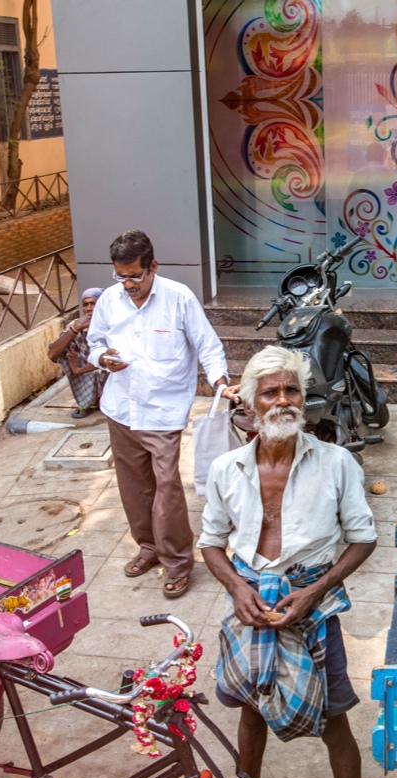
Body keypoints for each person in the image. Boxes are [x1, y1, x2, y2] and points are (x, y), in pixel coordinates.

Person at [197, 345, 380, 778]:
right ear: (250, 405)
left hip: (312, 603)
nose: (282, 401)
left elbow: (363, 537)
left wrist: (314, 591)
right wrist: (237, 587)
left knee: (334, 719)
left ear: (305, 399)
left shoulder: (336, 462)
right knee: (251, 713)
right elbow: (210, 544)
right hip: (254, 601)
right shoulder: (226, 469)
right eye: (270, 392)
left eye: (291, 390)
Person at [87, 230, 230, 599]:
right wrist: (102, 358)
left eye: (135, 275)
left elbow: (208, 346)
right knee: (134, 488)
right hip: (120, 409)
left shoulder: (179, 298)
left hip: (163, 413)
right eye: (121, 276)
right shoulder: (110, 301)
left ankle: (178, 563)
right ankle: (148, 548)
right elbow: (94, 342)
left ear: (153, 266)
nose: (128, 284)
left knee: (166, 489)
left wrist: (220, 383)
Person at [47, 287, 105, 417]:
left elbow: (113, 358)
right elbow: (52, 354)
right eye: (86, 304)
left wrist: (79, 369)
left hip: (108, 370)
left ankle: (102, 400)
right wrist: (74, 329)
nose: (89, 308)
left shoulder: (112, 324)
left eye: (93, 303)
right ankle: (89, 402)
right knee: (66, 351)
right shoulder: (77, 324)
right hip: (90, 369)